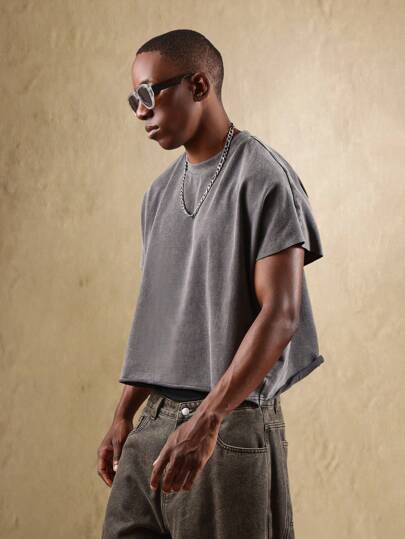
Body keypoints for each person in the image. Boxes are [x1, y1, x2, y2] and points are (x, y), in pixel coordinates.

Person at [98, 29, 325, 539]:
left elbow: (281, 314)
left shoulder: (262, 177)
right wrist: (123, 415)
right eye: (133, 98)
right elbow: (164, 318)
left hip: (226, 425)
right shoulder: (159, 194)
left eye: (149, 93)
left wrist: (207, 420)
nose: (140, 110)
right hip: (152, 424)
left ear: (199, 86)